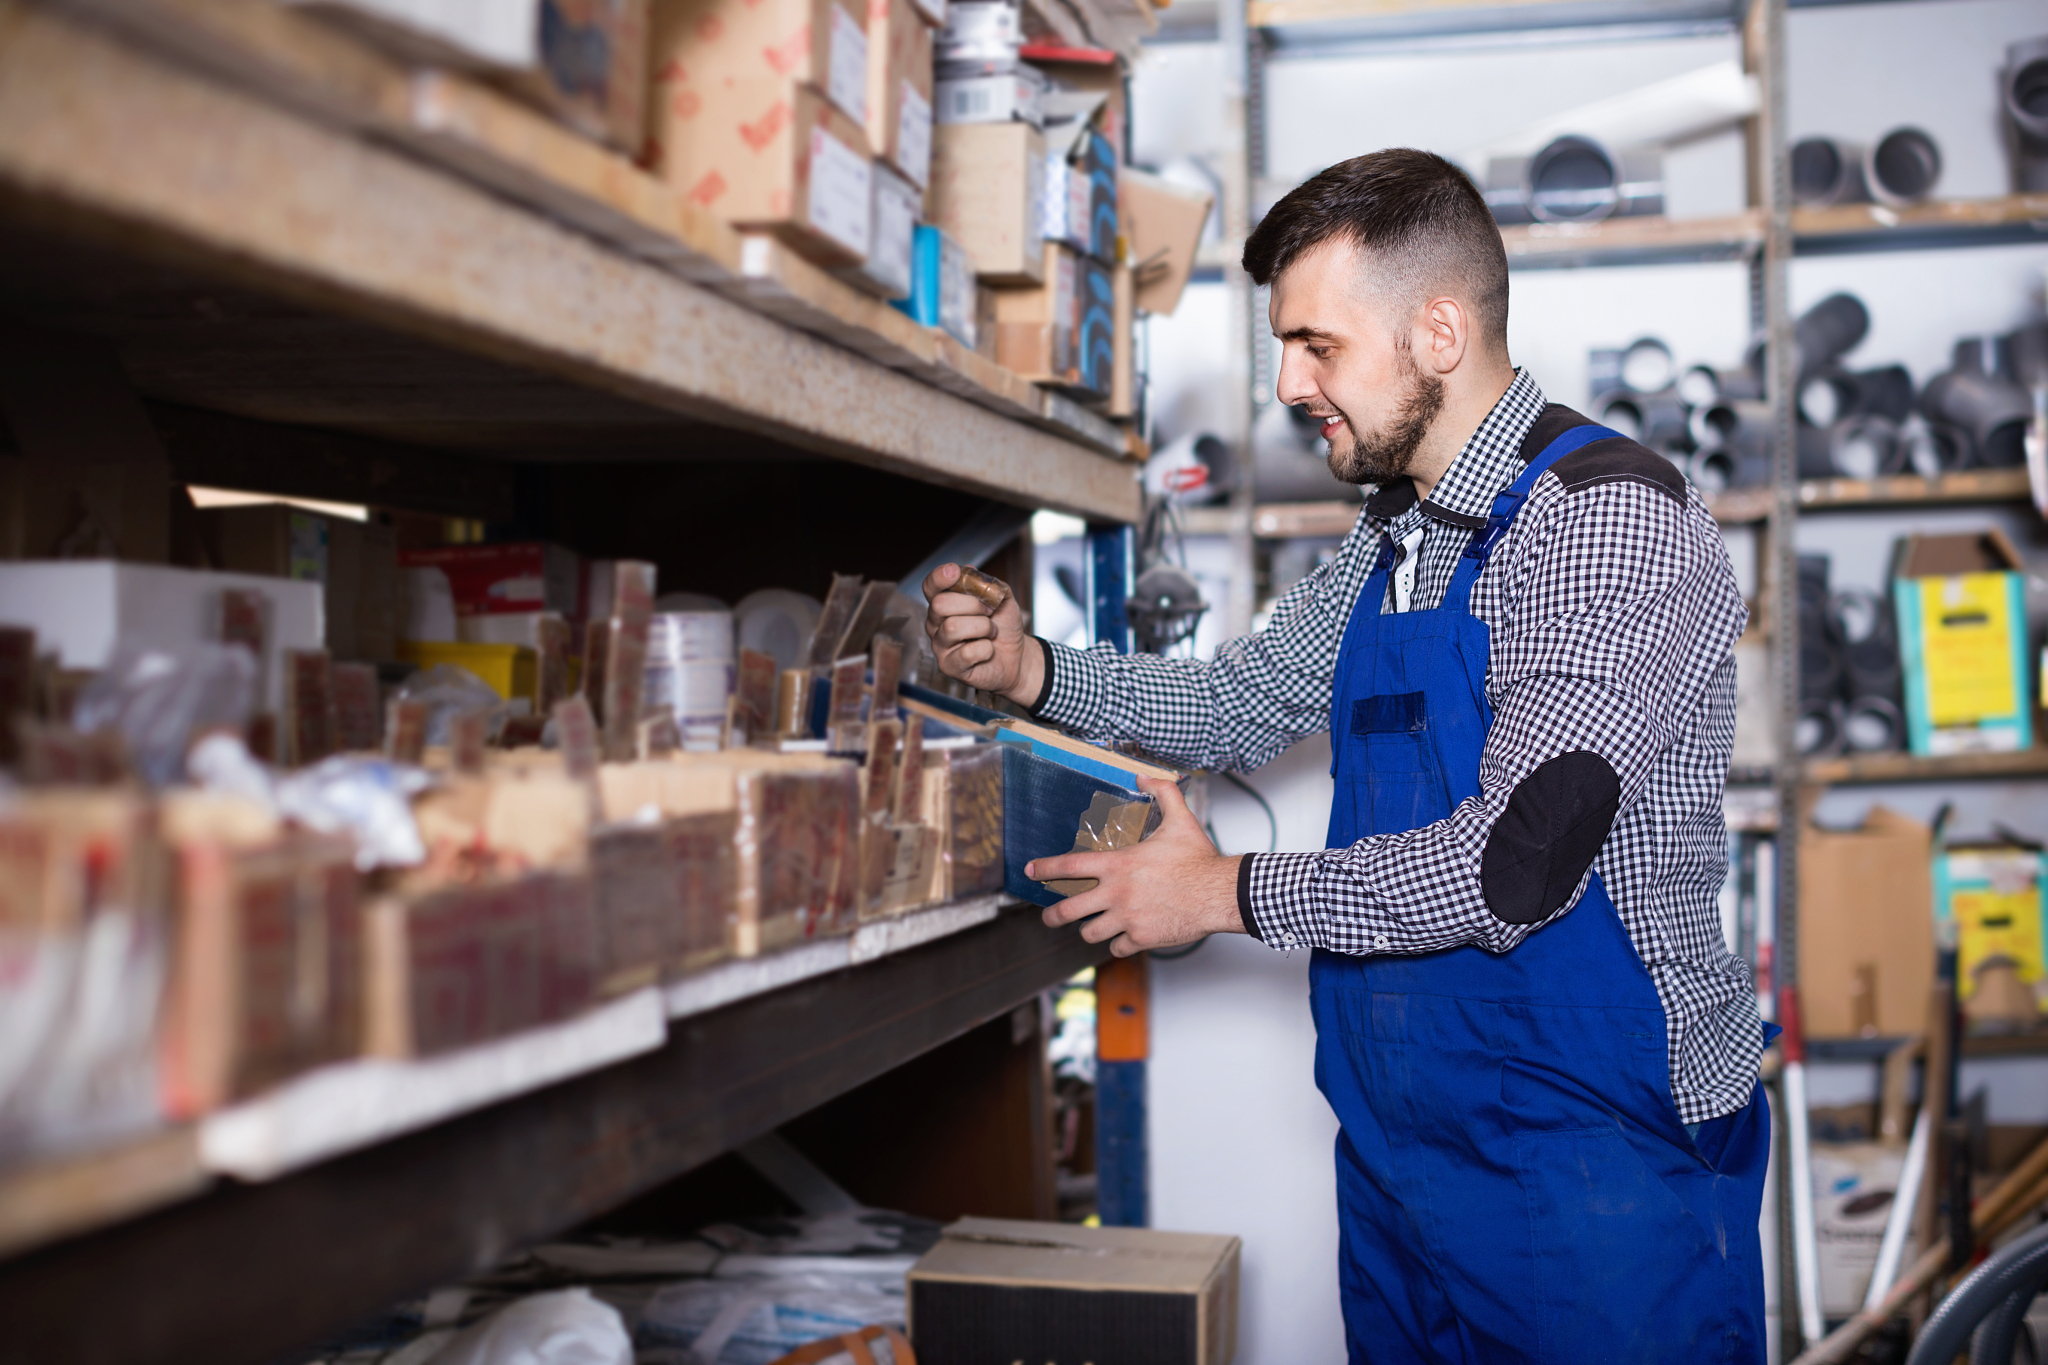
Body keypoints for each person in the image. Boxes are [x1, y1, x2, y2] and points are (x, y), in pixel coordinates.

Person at [922, 148, 1773, 1363]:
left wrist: (1217, 892)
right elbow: (1234, 706)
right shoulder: (1401, 538)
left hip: (1599, 1161)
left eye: (1316, 346)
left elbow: (1512, 868)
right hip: (1406, 1157)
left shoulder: (1600, 521)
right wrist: (1032, 672)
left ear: (1437, 331)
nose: (1286, 383)